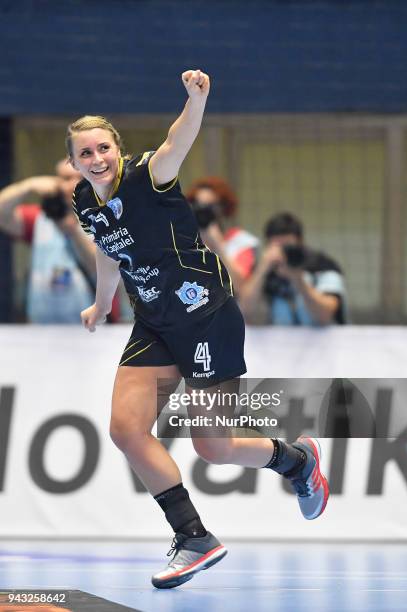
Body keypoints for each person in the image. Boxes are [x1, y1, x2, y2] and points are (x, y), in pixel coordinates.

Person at [67, 70, 329, 590]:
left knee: (212, 445)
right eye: (84, 154)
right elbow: (107, 250)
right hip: (155, 323)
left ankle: (297, 462)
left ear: (117, 148)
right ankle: (193, 536)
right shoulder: (83, 199)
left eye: (102, 148)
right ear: (74, 162)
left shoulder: (149, 173)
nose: (95, 159)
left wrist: (196, 100)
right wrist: (100, 305)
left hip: (206, 314)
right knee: (125, 429)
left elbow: (177, 139)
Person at [0, 160, 96, 323]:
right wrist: (28, 186)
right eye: (66, 178)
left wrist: (73, 232)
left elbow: (101, 268)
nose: (74, 184)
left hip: (92, 325)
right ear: (56, 183)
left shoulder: (106, 218)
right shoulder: (40, 218)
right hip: (41, 326)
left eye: (81, 178)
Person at [239, 212, 347, 326]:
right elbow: (245, 311)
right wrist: (262, 269)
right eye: (278, 247)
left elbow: (325, 315)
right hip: (281, 340)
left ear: (300, 243)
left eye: (288, 248)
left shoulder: (323, 266)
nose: (283, 254)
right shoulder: (267, 271)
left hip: (329, 341)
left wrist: (298, 279)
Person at [186, 177, 259, 293]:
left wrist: (217, 244)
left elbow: (241, 288)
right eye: (197, 205)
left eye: (209, 206)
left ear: (223, 208)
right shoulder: (183, 241)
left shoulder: (242, 242)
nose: (203, 212)